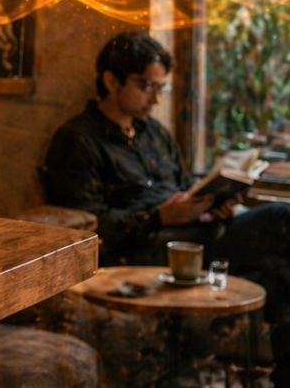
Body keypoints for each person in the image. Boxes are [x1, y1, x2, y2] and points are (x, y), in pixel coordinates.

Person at [44, 31, 290, 383]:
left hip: (197, 232)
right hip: (149, 248)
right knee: (282, 218)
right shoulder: (78, 140)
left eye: (162, 88)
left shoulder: (154, 134)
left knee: (277, 268)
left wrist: (213, 203)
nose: (156, 99)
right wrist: (157, 216)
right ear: (111, 80)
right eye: (147, 87)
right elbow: (84, 229)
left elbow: (185, 186)